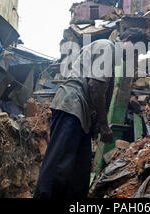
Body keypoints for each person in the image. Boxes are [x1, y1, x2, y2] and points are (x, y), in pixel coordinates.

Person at [33, 39, 116, 199]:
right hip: (72, 106)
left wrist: (95, 121)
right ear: (127, 42)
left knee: (79, 174)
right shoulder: (108, 46)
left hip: (82, 112)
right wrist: (104, 125)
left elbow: (98, 92)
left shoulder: (111, 56)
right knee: (58, 167)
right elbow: (94, 87)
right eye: (136, 51)